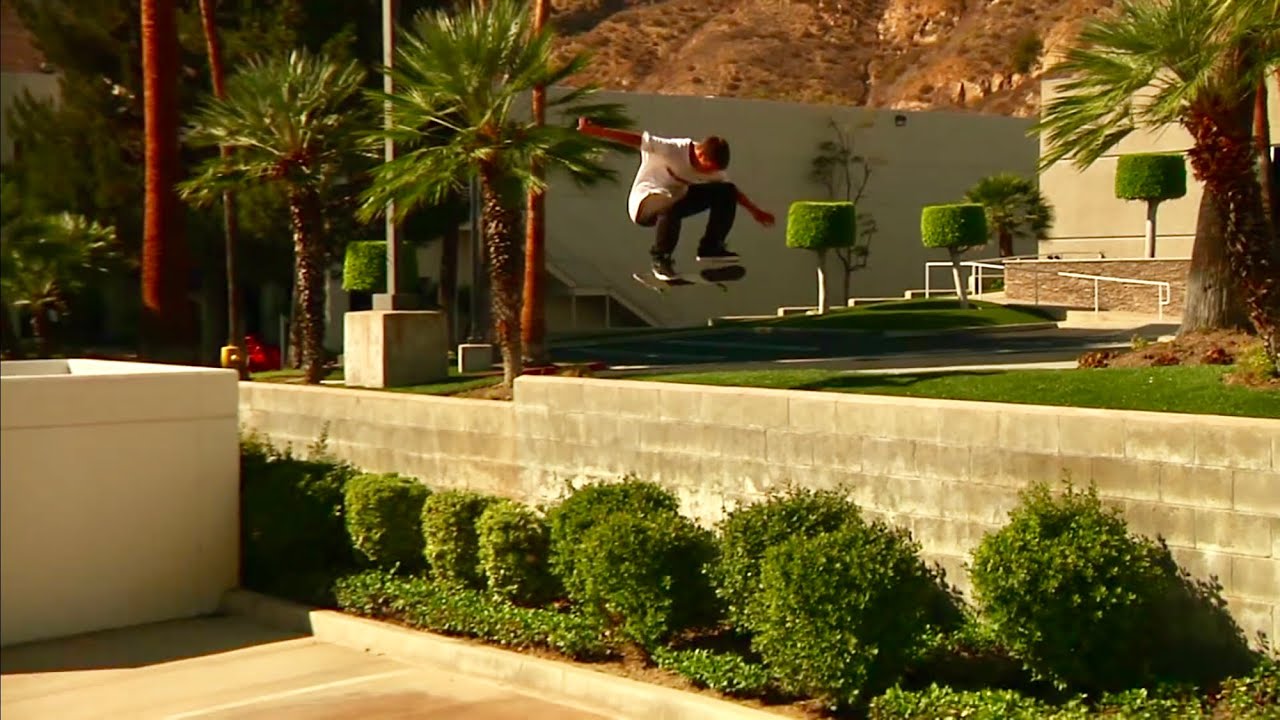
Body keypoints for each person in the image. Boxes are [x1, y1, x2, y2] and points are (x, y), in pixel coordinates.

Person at [577, 117, 775, 280]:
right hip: (644, 203)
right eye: (709, 169)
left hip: (675, 201)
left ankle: (710, 248)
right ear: (701, 155)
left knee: (725, 190)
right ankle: (660, 259)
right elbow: (638, 140)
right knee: (668, 201)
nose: (709, 174)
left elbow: (733, 193)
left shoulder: (714, 172)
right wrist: (599, 132)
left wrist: (755, 211)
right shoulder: (672, 149)